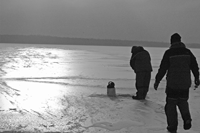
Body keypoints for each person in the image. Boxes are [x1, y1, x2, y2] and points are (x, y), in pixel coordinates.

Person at [154, 33, 200, 133]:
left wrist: (157, 80)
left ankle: (172, 127)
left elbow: (163, 68)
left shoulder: (169, 53)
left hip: (172, 85)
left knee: (171, 105)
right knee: (183, 102)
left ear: (171, 41)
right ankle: (187, 118)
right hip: (185, 84)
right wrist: (197, 77)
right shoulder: (187, 52)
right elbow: (194, 66)